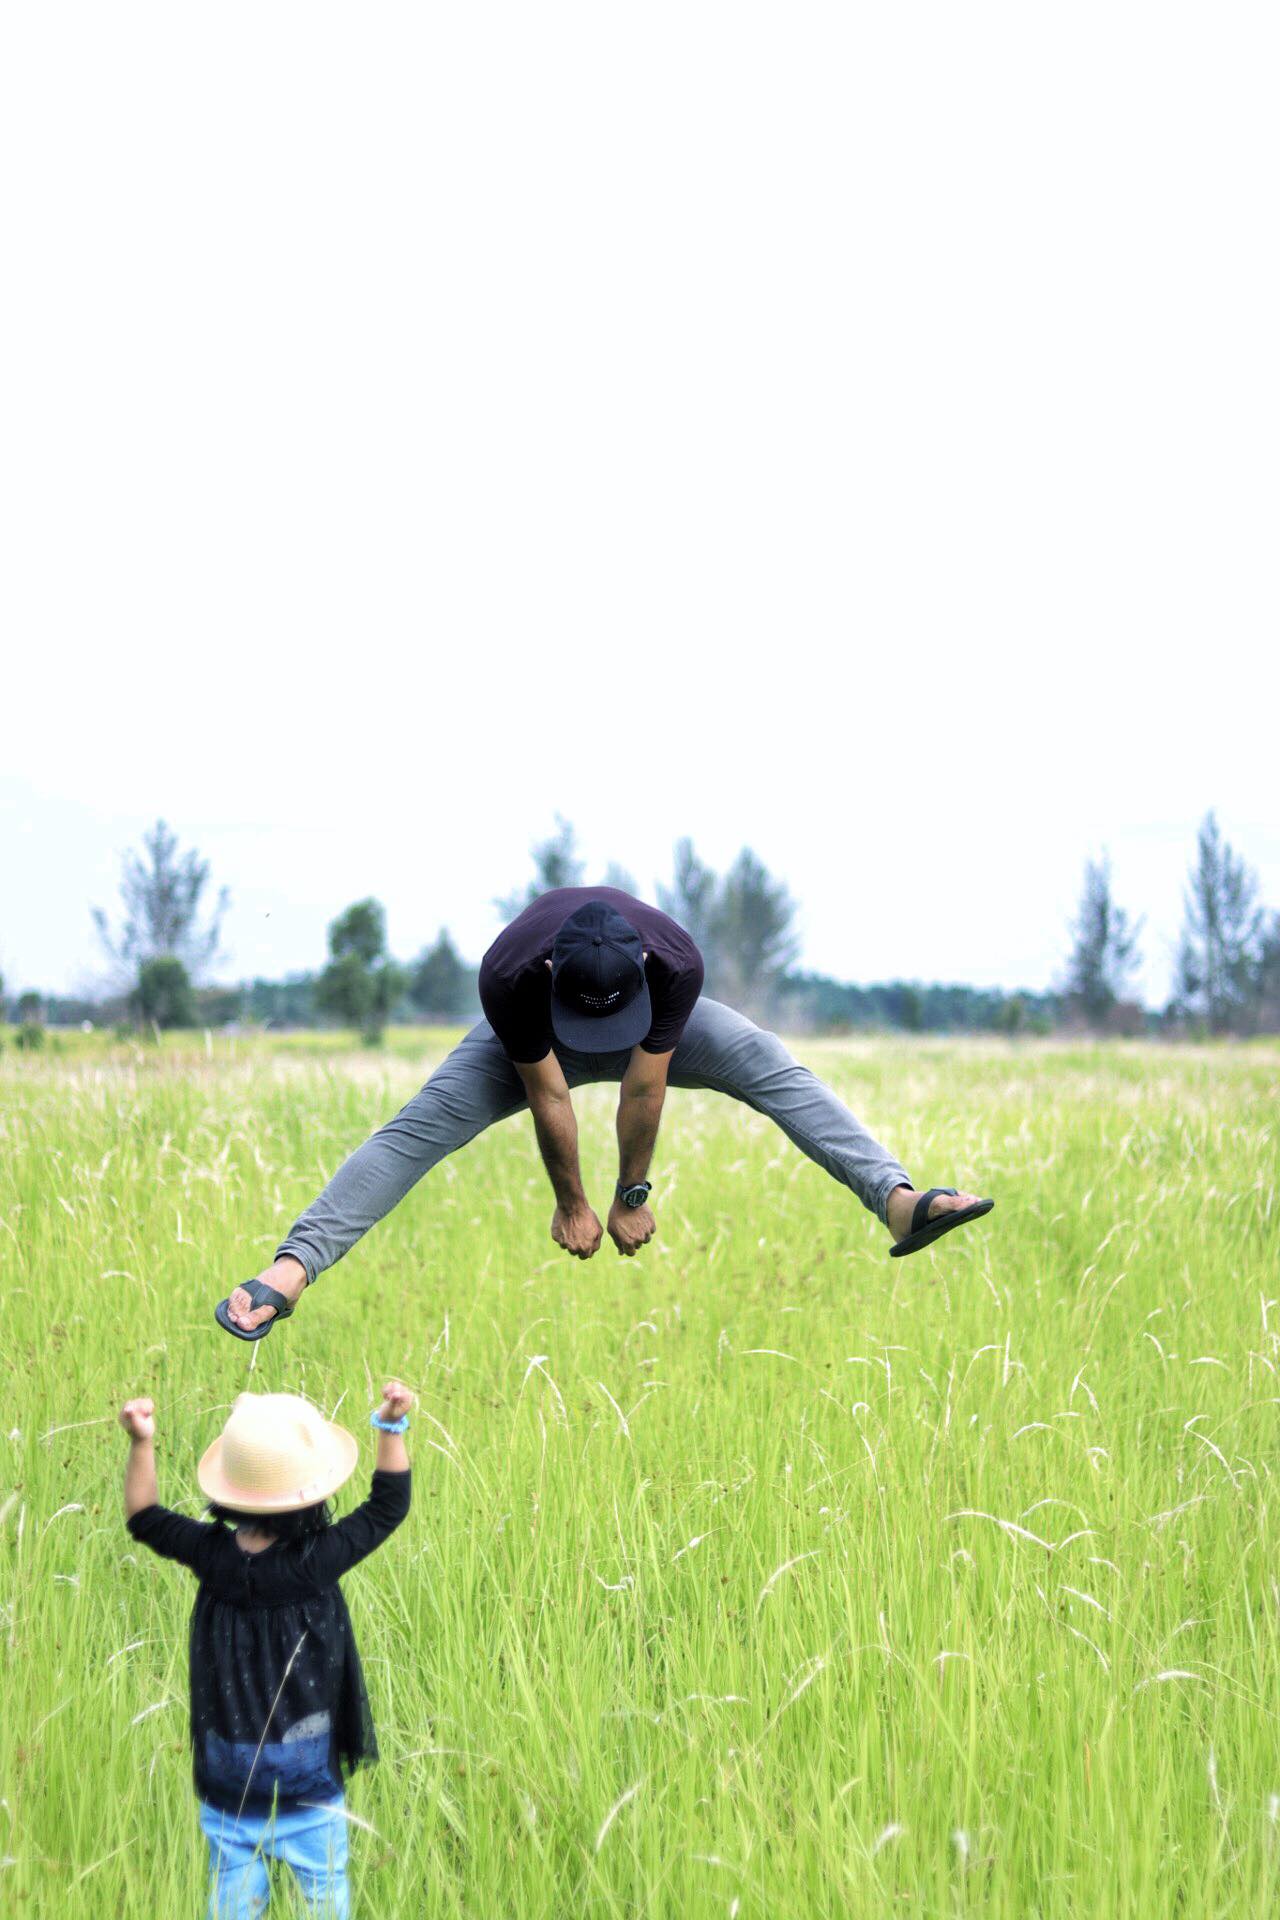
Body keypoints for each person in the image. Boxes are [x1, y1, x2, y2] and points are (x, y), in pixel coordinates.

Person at [217, 886, 992, 1339]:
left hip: (653, 1037)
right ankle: (289, 1270)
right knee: (418, 1129)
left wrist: (629, 1197)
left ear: (646, 973)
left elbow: (641, 1089)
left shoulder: (677, 961)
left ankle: (897, 1201)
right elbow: (550, 1093)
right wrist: (571, 1203)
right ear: (550, 972)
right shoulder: (511, 973)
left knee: (766, 1061)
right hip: (530, 1040)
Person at [119, 1382, 413, 1918]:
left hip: (227, 1786)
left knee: (231, 1905)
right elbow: (387, 1507)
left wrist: (142, 1442)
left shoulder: (211, 1555)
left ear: (229, 1489)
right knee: (323, 1899)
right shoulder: (317, 1561)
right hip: (309, 1787)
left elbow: (144, 1517)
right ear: (313, 1492)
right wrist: (390, 1425)